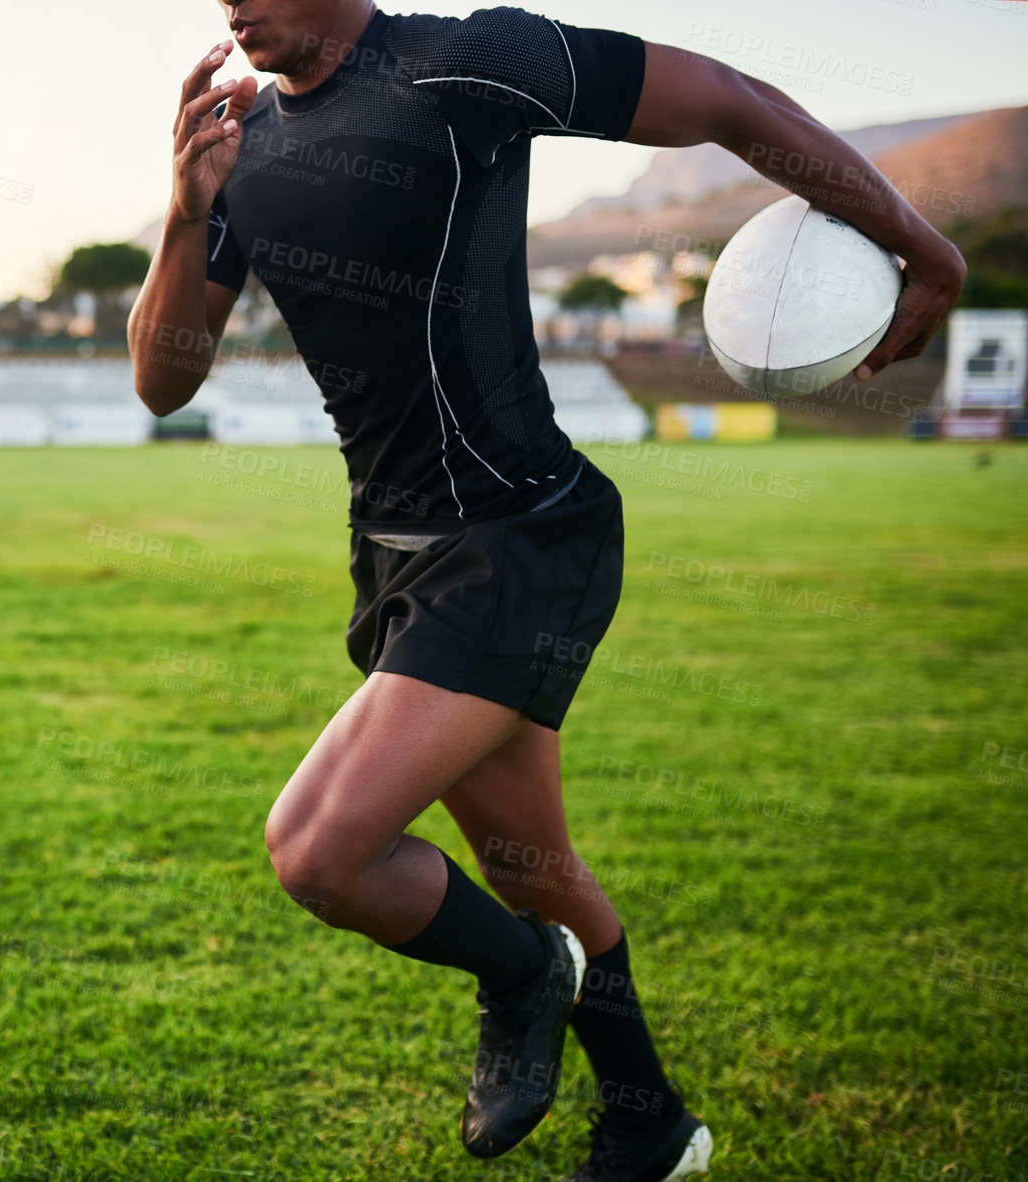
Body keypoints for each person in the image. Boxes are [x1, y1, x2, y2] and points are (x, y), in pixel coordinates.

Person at [127, 3, 966, 1178]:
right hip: (395, 557)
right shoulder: (240, 149)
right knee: (532, 872)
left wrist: (922, 246)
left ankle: (525, 977)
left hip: (520, 536)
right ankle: (649, 1126)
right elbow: (165, 382)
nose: (233, 5)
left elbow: (724, 98)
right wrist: (184, 213)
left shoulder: (465, 62)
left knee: (318, 852)